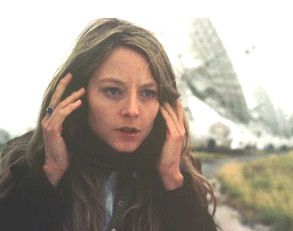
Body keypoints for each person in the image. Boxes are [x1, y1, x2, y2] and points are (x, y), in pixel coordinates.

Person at [0, 18, 218, 231]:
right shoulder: (23, 163)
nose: (132, 110)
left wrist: (172, 181)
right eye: (113, 91)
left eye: (148, 93)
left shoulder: (178, 175)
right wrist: (49, 173)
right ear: (77, 95)